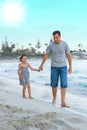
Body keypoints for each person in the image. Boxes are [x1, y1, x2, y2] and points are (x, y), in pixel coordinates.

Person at [39, 30, 72, 107]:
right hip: (54, 67)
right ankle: (54, 99)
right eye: (54, 38)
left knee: (64, 84)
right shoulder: (51, 45)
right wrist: (41, 65)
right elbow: (46, 55)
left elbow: (69, 56)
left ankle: (63, 102)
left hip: (63, 67)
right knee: (54, 84)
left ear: (60, 36)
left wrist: (70, 67)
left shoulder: (65, 44)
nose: (55, 39)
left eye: (57, 37)